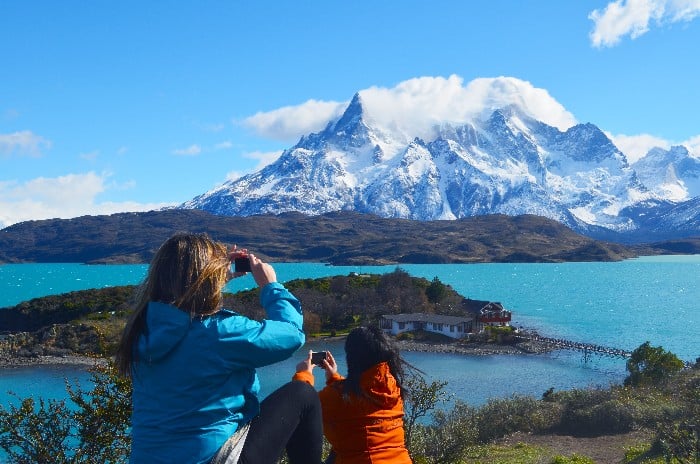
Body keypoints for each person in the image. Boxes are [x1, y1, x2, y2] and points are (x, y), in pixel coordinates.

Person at [115, 232, 322, 464]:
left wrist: (215, 280)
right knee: (301, 394)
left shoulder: (143, 329)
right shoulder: (217, 331)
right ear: (207, 277)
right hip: (208, 458)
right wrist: (270, 286)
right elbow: (292, 334)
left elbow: (183, 304)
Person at [293, 326, 413, 463]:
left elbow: (302, 408)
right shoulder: (393, 390)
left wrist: (303, 375)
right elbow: (360, 402)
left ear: (352, 357)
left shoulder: (335, 397)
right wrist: (333, 378)